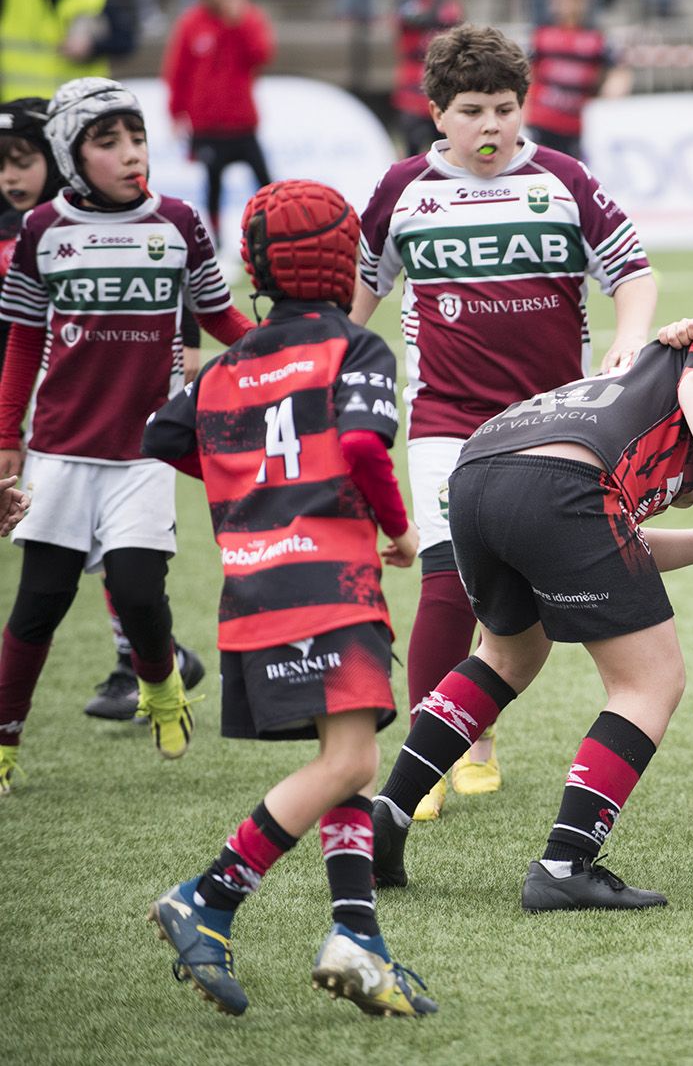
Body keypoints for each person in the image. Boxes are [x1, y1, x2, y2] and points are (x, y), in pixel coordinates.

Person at [367, 332, 693, 909]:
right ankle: (565, 865)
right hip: (558, 484)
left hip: (477, 472)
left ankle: (387, 814)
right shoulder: (690, 381)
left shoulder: (622, 408)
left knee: (508, 656)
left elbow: (621, 549)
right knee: (650, 682)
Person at [143, 178, 435, 1019]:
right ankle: (209, 896)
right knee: (350, 761)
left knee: (344, 757)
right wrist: (403, 532)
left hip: (254, 586)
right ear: (346, 261)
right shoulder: (357, 347)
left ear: (256, 266)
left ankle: (358, 939)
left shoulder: (232, 362)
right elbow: (359, 446)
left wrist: (250, 485)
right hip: (331, 583)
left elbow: (163, 433)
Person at [354, 23, 657, 819]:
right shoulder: (401, 191)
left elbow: (632, 271)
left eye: (505, 108)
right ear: (436, 114)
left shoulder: (562, 179)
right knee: (448, 583)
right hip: (446, 423)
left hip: (550, 428)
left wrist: (627, 337)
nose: (491, 125)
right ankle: (433, 756)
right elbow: (359, 303)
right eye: (473, 110)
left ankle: (478, 730)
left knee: (525, 604)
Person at [0, 77, 253, 792]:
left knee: (141, 597)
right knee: (38, 606)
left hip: (144, 451)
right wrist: (6, 442)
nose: (130, 153)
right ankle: (4, 743)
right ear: (71, 156)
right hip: (57, 451)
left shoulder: (177, 221)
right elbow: (21, 342)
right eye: (107, 143)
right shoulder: (43, 230)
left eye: (136, 137)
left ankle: (162, 689)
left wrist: (291, 347)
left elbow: (221, 318)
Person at [161, 0, 275, 240]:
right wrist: (175, 113)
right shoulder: (191, 23)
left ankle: (274, 232)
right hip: (207, 126)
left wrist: (237, 23)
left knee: (266, 183)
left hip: (242, 122)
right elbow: (178, 71)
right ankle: (217, 242)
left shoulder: (247, 16)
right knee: (213, 184)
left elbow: (261, 54)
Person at [523, 0, 629, 160]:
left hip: (572, 124)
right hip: (542, 121)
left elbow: (618, 69)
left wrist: (615, 84)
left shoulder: (595, 39)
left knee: (569, 175)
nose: (567, 6)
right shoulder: (542, 35)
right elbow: (525, 71)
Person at [391, 0, 462, 157]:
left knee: (443, 147)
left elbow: (452, 20)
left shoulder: (447, 5)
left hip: (440, 88)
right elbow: (412, 18)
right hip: (412, 89)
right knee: (412, 147)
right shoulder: (408, 4)